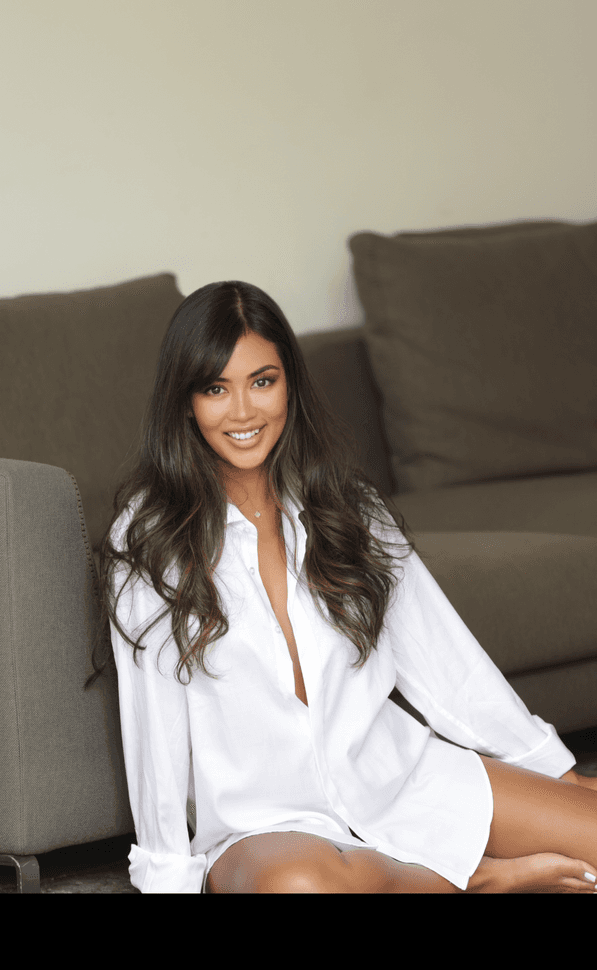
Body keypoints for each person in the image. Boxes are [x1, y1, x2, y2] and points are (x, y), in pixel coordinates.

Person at [86, 280, 597, 894]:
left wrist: (555, 774)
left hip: (401, 778)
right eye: (216, 388)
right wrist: (168, 877)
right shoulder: (150, 541)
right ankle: (484, 882)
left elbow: (443, 659)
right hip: (264, 831)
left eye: (263, 381)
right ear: (185, 401)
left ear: (290, 384)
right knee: (303, 888)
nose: (243, 411)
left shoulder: (347, 506)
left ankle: (460, 871)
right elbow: (155, 735)